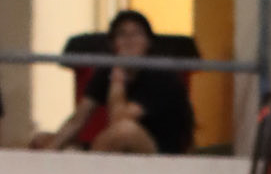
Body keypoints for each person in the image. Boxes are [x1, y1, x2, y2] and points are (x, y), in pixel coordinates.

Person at [31, 9, 194, 156]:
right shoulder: (105, 71)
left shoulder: (161, 76)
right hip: (113, 146)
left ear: (148, 42)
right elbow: (77, 120)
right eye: (122, 34)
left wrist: (117, 80)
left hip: (162, 152)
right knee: (43, 139)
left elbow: (119, 121)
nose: (129, 40)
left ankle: (89, 169)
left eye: (137, 34)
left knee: (124, 131)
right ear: (113, 43)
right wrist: (51, 150)